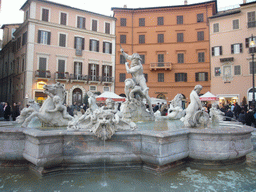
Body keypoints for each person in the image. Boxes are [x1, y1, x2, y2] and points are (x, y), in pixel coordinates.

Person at [121, 48, 153, 114]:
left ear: (138, 60)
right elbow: (127, 56)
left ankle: (151, 110)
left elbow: (128, 71)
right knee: (127, 85)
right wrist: (123, 52)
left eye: (136, 60)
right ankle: (128, 99)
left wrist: (126, 65)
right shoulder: (133, 59)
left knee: (146, 94)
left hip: (140, 79)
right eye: (134, 59)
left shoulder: (138, 66)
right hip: (134, 79)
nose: (134, 61)